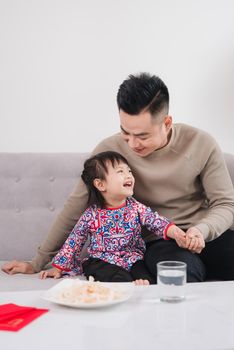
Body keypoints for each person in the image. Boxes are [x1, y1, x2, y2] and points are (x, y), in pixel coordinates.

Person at [2, 73, 234, 282]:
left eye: (142, 136)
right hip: (159, 241)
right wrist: (37, 261)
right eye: (125, 132)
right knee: (180, 274)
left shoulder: (201, 143)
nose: (132, 144)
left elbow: (225, 204)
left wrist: (201, 230)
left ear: (167, 123)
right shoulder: (108, 153)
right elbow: (75, 207)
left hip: (204, 232)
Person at [39, 151, 192, 284]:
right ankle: (123, 288)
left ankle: (140, 295)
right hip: (101, 261)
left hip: (132, 259)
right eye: (120, 172)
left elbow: (156, 221)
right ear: (100, 185)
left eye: (129, 171)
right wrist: (59, 268)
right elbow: (75, 240)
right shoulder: (91, 214)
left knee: (147, 278)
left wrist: (177, 233)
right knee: (118, 278)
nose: (128, 176)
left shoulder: (136, 207)